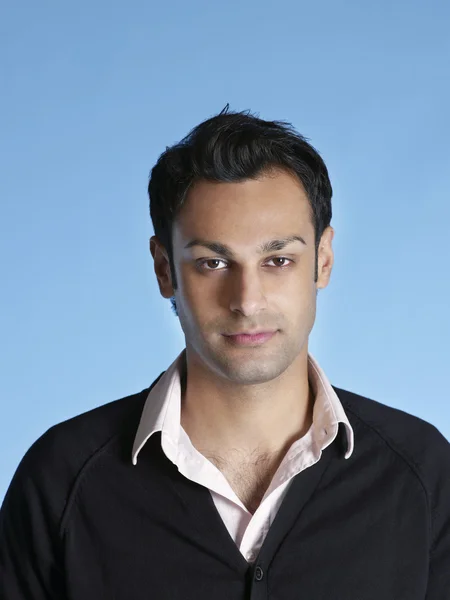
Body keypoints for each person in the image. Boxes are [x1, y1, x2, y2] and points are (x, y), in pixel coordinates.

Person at [1, 107, 449, 600]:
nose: (247, 300)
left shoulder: (422, 476)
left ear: (322, 261)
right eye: (213, 262)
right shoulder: (61, 480)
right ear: (164, 269)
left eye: (278, 260)